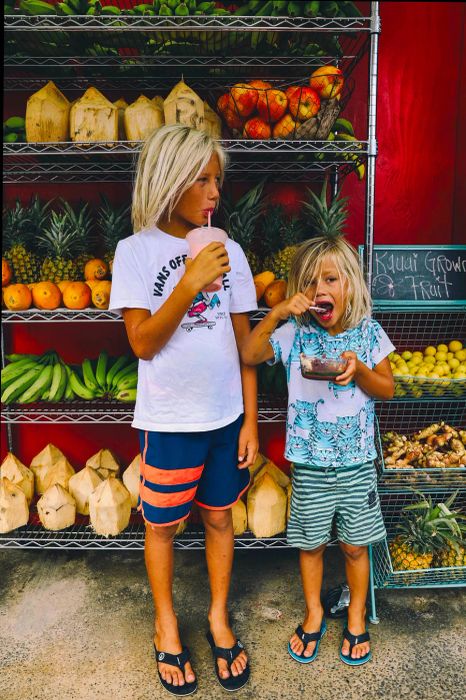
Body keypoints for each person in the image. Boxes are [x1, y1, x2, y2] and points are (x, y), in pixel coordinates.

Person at [109, 124, 258, 695]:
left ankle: (218, 616)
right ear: (170, 181)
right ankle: (166, 625)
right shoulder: (136, 252)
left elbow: (245, 347)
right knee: (164, 525)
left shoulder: (232, 252)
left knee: (221, 517)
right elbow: (143, 342)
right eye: (201, 179)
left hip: (223, 420)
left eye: (218, 178)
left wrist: (249, 419)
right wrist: (189, 284)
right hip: (169, 423)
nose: (214, 191)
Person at [241, 235, 395, 667]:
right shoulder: (295, 333)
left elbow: (387, 388)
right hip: (309, 465)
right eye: (309, 283)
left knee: (354, 546)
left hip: (356, 465)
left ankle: (358, 617)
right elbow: (250, 353)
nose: (319, 289)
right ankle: (313, 614)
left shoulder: (368, 333)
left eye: (330, 278)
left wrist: (359, 370)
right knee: (310, 545)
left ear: (351, 285)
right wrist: (276, 313)